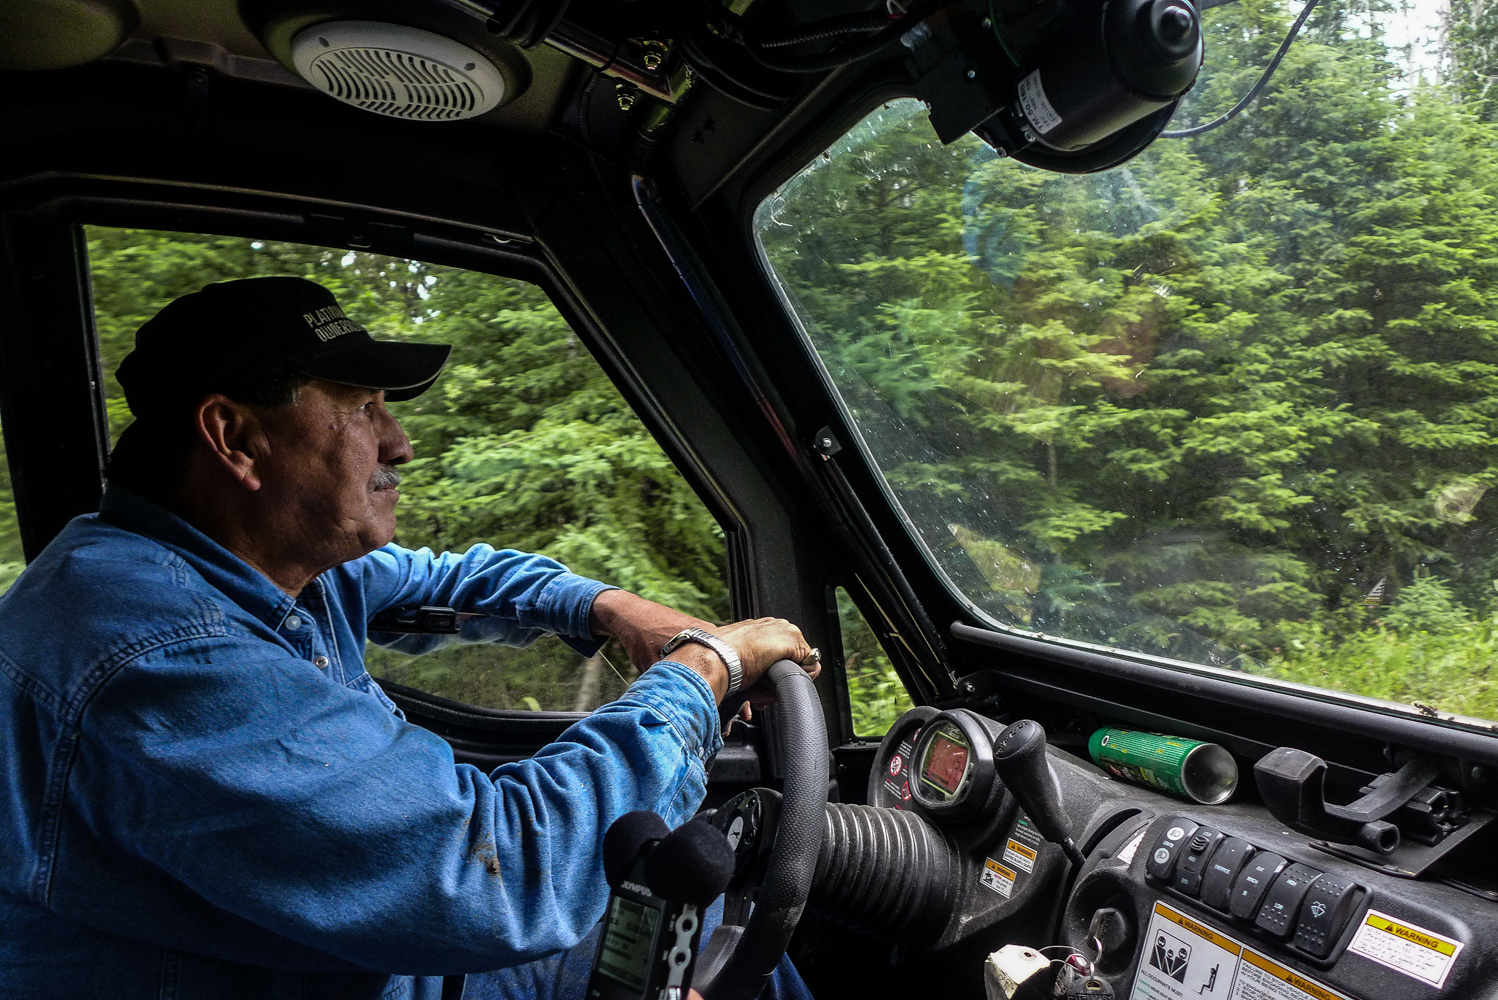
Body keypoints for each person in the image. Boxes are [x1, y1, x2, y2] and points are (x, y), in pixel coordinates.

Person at [0, 277, 819, 999]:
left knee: (711, 930)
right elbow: (501, 869)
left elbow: (445, 578)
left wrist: (609, 607)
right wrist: (706, 666)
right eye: (361, 408)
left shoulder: (257, 565)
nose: (400, 443)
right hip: (350, 972)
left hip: (356, 961)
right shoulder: (164, 651)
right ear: (237, 439)